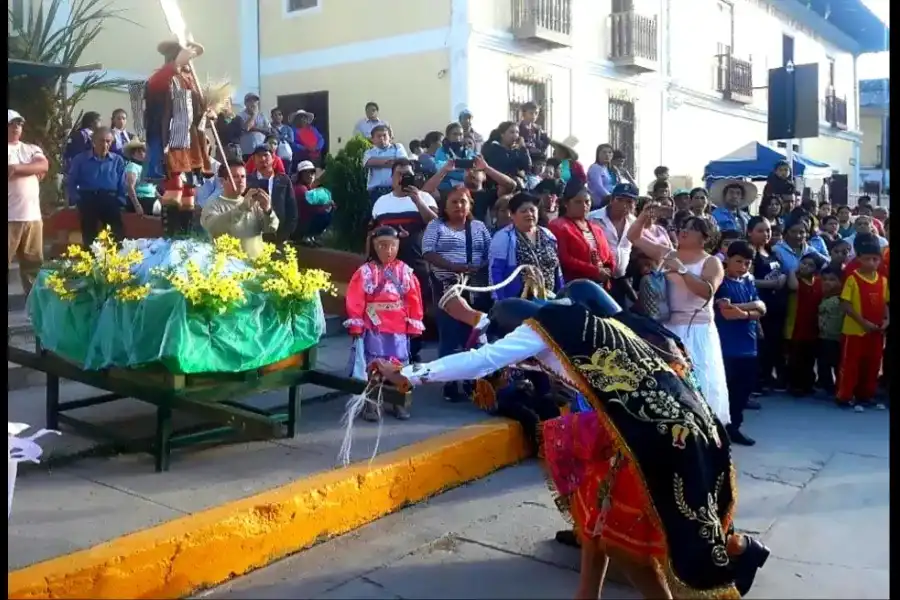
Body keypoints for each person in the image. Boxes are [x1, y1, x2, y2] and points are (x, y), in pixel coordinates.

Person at [372, 283, 770, 600]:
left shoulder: (543, 328)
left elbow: (487, 359)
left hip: (650, 442)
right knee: (598, 512)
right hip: (689, 434)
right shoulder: (618, 326)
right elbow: (507, 345)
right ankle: (588, 594)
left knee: (627, 545)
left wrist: (409, 372)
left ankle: (731, 551)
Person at [629, 213, 731, 425]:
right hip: (667, 328)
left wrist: (682, 271)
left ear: (704, 237)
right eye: (683, 225)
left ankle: (705, 429)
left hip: (697, 331)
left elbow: (707, 291)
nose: (683, 230)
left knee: (700, 381)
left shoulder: (712, 262)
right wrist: (645, 217)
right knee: (669, 382)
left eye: (692, 227)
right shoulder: (667, 254)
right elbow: (633, 236)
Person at [345, 226, 424, 421]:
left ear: (398, 246)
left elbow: (414, 298)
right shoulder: (365, 272)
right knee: (374, 366)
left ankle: (399, 401)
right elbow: (356, 299)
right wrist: (356, 324)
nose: (388, 250)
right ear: (374, 247)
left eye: (392, 246)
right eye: (382, 246)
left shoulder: (406, 272)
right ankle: (371, 404)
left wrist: (414, 323)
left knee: (399, 366)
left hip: (398, 327)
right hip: (374, 327)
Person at [422, 186, 492, 402]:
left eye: (463, 201)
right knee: (450, 336)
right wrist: (453, 266)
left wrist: (479, 269)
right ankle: (450, 383)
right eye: (454, 202)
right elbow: (428, 252)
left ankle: (473, 382)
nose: (459, 206)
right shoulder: (436, 226)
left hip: (476, 288)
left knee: (473, 334)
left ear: (470, 204)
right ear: (444, 205)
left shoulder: (479, 227)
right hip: (447, 288)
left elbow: (491, 252)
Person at [144, 38, 213, 237]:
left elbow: (195, 114)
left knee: (189, 189)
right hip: (171, 140)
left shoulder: (191, 81)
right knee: (175, 185)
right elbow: (155, 88)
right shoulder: (162, 77)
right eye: (186, 57)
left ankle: (185, 237)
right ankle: (170, 240)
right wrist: (174, 66)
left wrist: (207, 114)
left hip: (191, 141)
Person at [714, 241, 766, 446]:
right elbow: (727, 314)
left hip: (749, 345)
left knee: (743, 392)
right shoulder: (722, 283)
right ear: (727, 259)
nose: (742, 266)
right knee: (725, 390)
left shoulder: (748, 281)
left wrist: (743, 311)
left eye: (747, 263)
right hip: (727, 346)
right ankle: (719, 429)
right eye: (738, 261)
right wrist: (752, 311)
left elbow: (762, 308)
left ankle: (735, 427)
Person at [837, 234, 889, 412]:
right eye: (867, 259)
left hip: (876, 331)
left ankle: (866, 396)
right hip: (855, 330)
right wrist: (863, 322)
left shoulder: (883, 280)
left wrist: (886, 320)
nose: (871, 263)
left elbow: (886, 304)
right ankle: (845, 396)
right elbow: (846, 305)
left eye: (875, 259)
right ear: (858, 259)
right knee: (851, 364)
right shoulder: (853, 278)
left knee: (873, 364)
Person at [489, 192, 563, 300]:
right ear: (512, 215)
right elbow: (495, 272)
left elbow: (557, 268)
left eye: (532, 210)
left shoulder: (548, 235)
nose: (529, 214)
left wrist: (561, 294)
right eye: (523, 211)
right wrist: (499, 301)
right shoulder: (503, 237)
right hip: (519, 302)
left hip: (550, 299)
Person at [8, 109, 49, 296]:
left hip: (32, 218)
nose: (16, 127)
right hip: (10, 218)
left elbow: (42, 165)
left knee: (33, 268)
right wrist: (29, 169)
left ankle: (34, 311)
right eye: (12, 123)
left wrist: (16, 168)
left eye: (19, 124)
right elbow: (36, 168)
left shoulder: (31, 148)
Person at [200, 161, 278, 259]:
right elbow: (214, 228)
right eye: (235, 177)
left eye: (243, 176)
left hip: (257, 267)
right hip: (229, 267)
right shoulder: (212, 205)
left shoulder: (254, 203)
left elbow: (271, 228)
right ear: (222, 181)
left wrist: (268, 210)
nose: (240, 180)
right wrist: (241, 208)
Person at [746, 217, 788, 394]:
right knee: (760, 344)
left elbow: (783, 271)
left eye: (768, 230)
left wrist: (782, 279)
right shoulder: (750, 254)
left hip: (777, 306)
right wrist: (769, 284)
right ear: (750, 232)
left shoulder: (773, 252)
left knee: (773, 344)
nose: (766, 234)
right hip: (759, 305)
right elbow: (747, 279)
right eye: (761, 230)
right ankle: (756, 382)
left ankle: (768, 378)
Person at [66, 127, 127, 246]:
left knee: (116, 235)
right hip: (88, 198)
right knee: (89, 236)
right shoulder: (80, 159)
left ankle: (114, 261)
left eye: (108, 141)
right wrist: (76, 199)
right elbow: (71, 181)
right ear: (93, 141)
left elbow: (122, 183)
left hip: (110, 199)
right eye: (101, 141)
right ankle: (90, 262)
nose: (105, 144)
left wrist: (120, 200)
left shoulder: (117, 160)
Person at [548, 186, 615, 288]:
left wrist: (609, 269)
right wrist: (594, 270)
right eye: (578, 202)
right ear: (566, 204)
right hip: (575, 285)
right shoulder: (558, 226)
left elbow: (609, 254)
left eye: (587, 202)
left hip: (601, 283)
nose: (584, 206)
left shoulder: (596, 228)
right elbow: (564, 258)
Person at [588, 183, 639, 306]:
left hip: (624, 278)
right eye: (620, 200)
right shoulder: (593, 218)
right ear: (611, 200)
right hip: (600, 278)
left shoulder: (634, 222)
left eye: (629, 201)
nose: (624, 205)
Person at [784, 253, 826, 396]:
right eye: (804, 263)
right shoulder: (796, 280)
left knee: (809, 358)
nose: (805, 267)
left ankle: (808, 384)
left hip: (812, 326)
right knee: (796, 357)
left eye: (811, 265)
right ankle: (795, 385)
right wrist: (792, 271)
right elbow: (794, 286)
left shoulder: (818, 282)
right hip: (796, 324)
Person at [245, 145, 297, 245]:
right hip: (255, 237)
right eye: (258, 156)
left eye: (266, 155)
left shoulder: (283, 180)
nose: (262, 159)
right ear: (254, 160)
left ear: (273, 158)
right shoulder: (248, 181)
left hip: (279, 236)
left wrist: (285, 235)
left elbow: (292, 210)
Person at [816, 266, 844, 397]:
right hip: (824, 336)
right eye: (824, 279)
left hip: (836, 338)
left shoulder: (841, 301)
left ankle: (838, 387)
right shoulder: (824, 298)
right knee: (824, 363)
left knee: (837, 363)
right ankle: (826, 385)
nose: (827, 282)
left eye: (832, 279)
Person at [363, 125, 408, 204]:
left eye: (384, 135)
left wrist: (379, 162)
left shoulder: (398, 147)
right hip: (376, 191)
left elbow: (403, 163)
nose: (382, 138)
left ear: (390, 137)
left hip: (396, 189)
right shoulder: (369, 152)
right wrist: (394, 161)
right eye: (378, 136)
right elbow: (369, 163)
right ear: (372, 139)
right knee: (379, 215)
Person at [292, 160, 333, 246]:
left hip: (302, 223)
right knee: (324, 216)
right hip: (298, 226)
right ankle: (304, 236)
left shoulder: (308, 189)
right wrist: (326, 206)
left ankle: (310, 237)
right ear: (300, 175)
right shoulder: (300, 189)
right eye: (306, 173)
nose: (310, 175)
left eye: (312, 172)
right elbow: (311, 209)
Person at [433, 122, 476, 191]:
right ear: (448, 135)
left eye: (461, 134)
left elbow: (474, 166)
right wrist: (463, 165)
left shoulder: (468, 150)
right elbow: (440, 168)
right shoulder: (441, 151)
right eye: (455, 134)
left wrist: (455, 166)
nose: (458, 137)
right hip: (447, 186)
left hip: (467, 186)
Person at [122, 139, 158, 216]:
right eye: (139, 151)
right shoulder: (132, 166)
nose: (142, 153)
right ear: (133, 154)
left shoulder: (145, 167)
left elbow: (151, 187)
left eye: (144, 150)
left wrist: (160, 197)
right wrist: (137, 206)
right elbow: (129, 187)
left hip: (150, 198)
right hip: (140, 199)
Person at [586, 143, 616, 209]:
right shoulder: (595, 168)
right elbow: (598, 187)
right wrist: (611, 197)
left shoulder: (607, 169)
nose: (607, 155)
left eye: (610, 152)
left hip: (608, 203)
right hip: (599, 205)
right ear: (598, 154)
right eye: (604, 152)